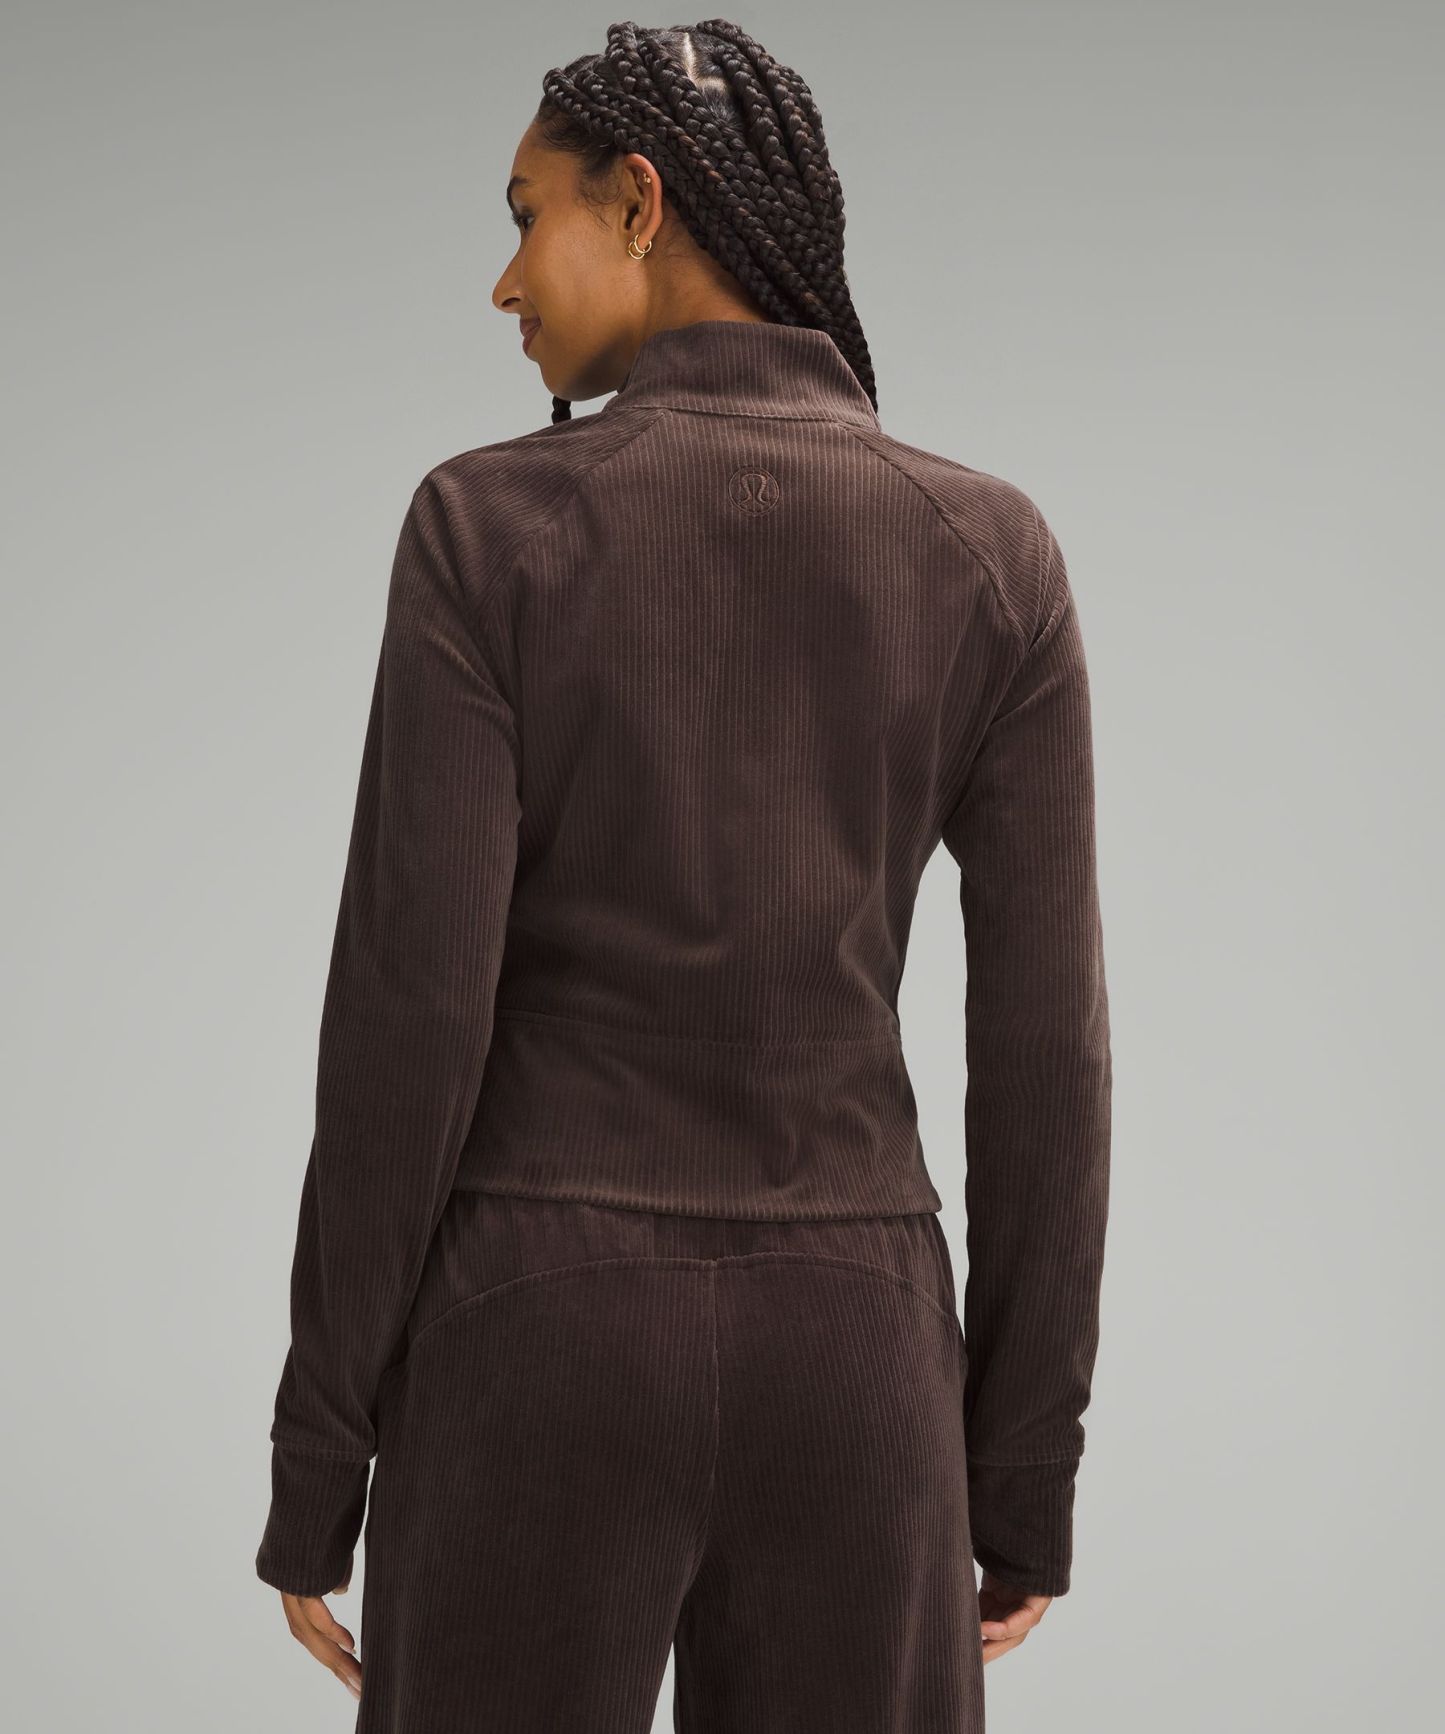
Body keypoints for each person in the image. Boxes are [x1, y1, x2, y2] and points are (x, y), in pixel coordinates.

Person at [254, 19, 1112, 1733]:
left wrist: (321, 1446)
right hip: (858, 1356)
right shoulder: (989, 555)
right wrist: (1017, 1467)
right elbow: (1046, 1058)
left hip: (533, 1334)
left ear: (639, 204)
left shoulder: (484, 532)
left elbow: (408, 1014)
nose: (505, 281)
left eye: (527, 216)